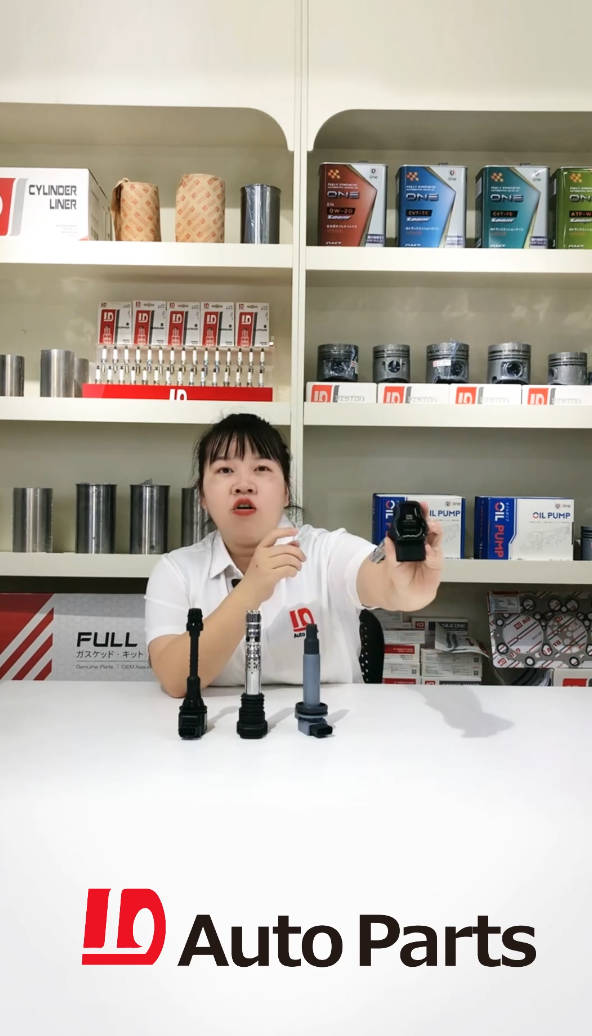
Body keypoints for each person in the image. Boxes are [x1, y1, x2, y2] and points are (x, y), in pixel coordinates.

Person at [145, 413, 443, 696]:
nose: (243, 485)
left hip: (331, 726)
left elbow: (381, 580)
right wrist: (250, 590)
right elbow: (175, 680)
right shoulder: (176, 570)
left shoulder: (327, 552)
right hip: (216, 728)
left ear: (286, 491)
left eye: (261, 469)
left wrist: (409, 588)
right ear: (202, 496)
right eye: (225, 470)